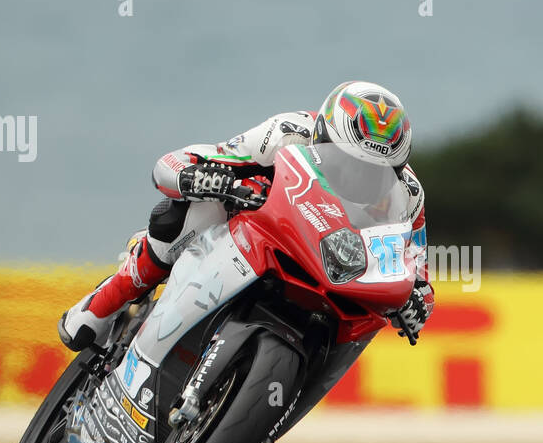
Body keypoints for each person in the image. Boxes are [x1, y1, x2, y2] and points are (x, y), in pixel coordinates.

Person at [58, 81, 434, 350]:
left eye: (374, 173)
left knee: (368, 317)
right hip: (250, 226)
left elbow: (417, 269)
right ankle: (104, 302)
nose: (358, 177)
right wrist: (196, 176)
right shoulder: (287, 132)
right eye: (348, 163)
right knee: (194, 211)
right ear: (322, 135)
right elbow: (175, 164)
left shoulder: (408, 194)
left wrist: (419, 303)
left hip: (324, 268)